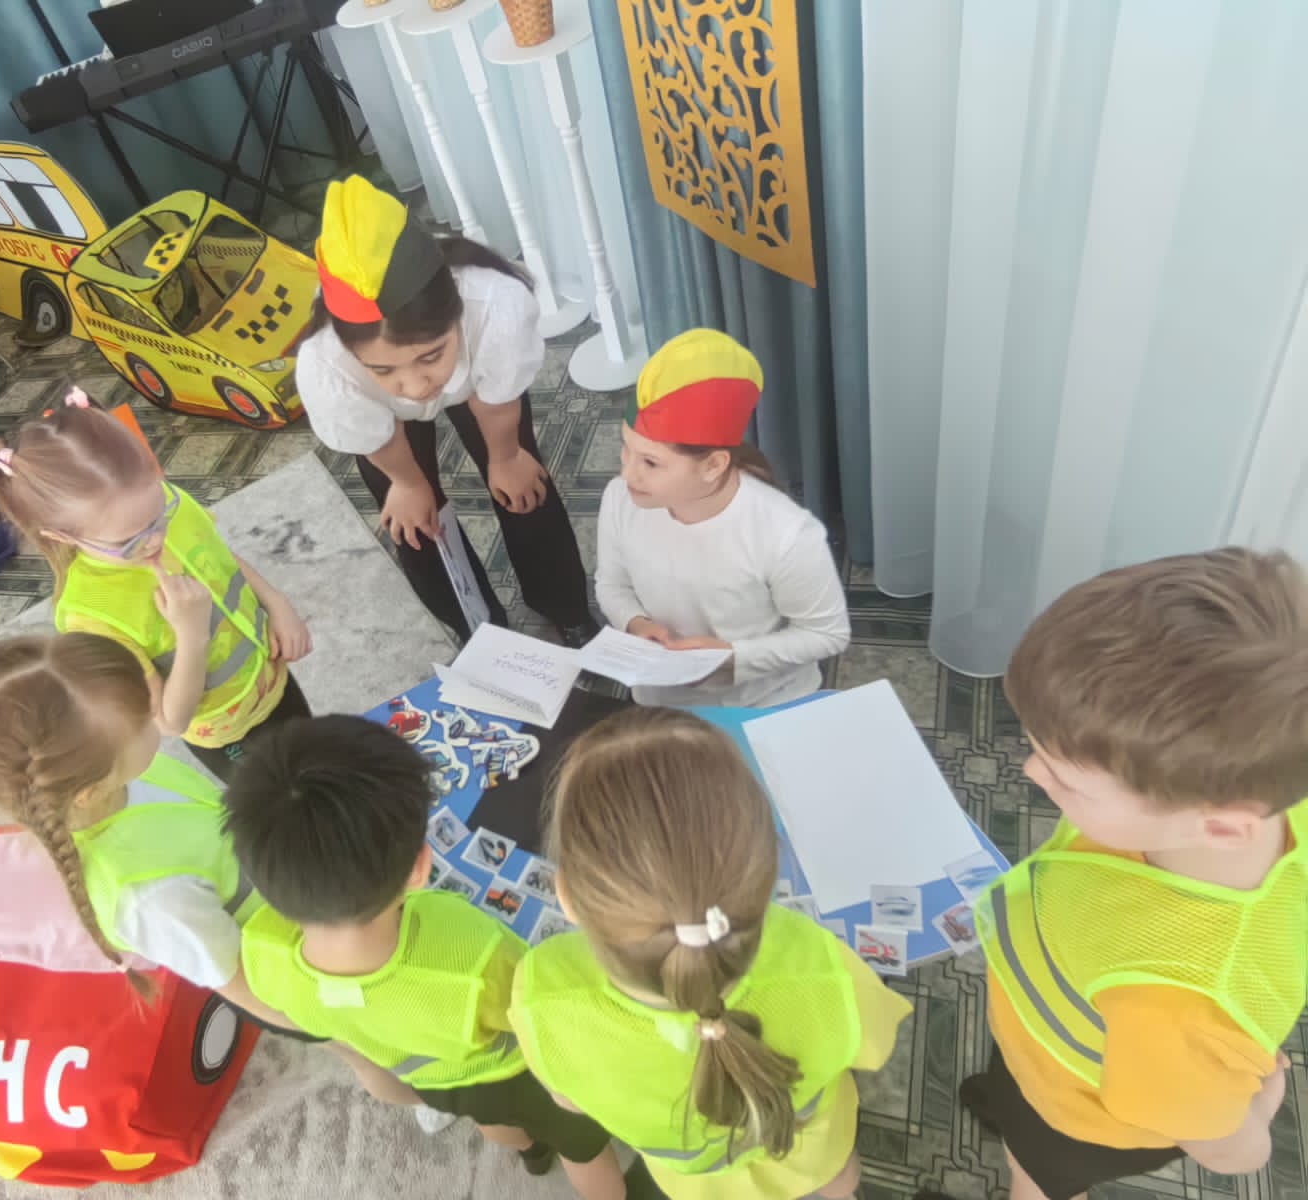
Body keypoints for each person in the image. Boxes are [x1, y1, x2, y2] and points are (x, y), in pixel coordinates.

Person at [962, 548, 1308, 1200]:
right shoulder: (1242, 792)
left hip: (1074, 1118)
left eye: (1065, 777)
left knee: (1034, 1177)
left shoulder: (1180, 1003)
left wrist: (1257, 1126)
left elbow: (1224, 1148)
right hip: (1045, 1035)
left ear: (1220, 825)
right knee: (1010, 1096)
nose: (1030, 772)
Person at [510, 706, 910, 1200]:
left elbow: (568, 1100)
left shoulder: (543, 996)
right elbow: (874, 1044)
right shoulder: (824, 968)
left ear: (567, 897)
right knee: (838, 1182)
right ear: (767, 876)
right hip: (812, 1154)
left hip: (698, 1184)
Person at [222, 715, 626, 1199]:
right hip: (516, 1070)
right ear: (419, 868)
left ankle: (530, 1154)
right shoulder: (468, 955)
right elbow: (535, 1008)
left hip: (434, 1079)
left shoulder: (260, 950)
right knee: (584, 1147)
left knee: (491, 1120)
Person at [294, 174, 599, 647]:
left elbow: (496, 401)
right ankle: (477, 628)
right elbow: (375, 437)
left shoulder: (492, 301)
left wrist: (505, 456)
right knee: (414, 522)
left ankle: (565, 606)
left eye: (431, 355)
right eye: (384, 368)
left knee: (523, 484)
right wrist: (408, 484)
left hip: (483, 387)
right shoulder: (325, 364)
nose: (416, 387)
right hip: (382, 424)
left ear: (456, 312)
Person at [0, 632, 288, 1022]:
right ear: (90, 791)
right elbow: (245, 985)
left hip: (290, 888)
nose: (156, 705)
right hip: (290, 962)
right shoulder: (149, 897)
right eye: (144, 716)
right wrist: (330, 1027)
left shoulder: (123, 772)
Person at [0, 389, 311, 780]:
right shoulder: (91, 616)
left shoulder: (165, 504)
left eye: (159, 516)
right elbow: (170, 721)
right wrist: (191, 635)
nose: (156, 540)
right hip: (225, 733)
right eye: (129, 540)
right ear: (62, 536)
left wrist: (277, 604)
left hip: (272, 677)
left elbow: (218, 556)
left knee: (322, 759)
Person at [594, 329, 849, 708]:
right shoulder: (621, 499)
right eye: (625, 450)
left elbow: (827, 634)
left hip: (762, 701)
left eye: (650, 462)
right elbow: (611, 584)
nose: (627, 474)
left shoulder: (787, 534)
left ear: (713, 465)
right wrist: (636, 623)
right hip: (661, 701)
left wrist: (733, 658)